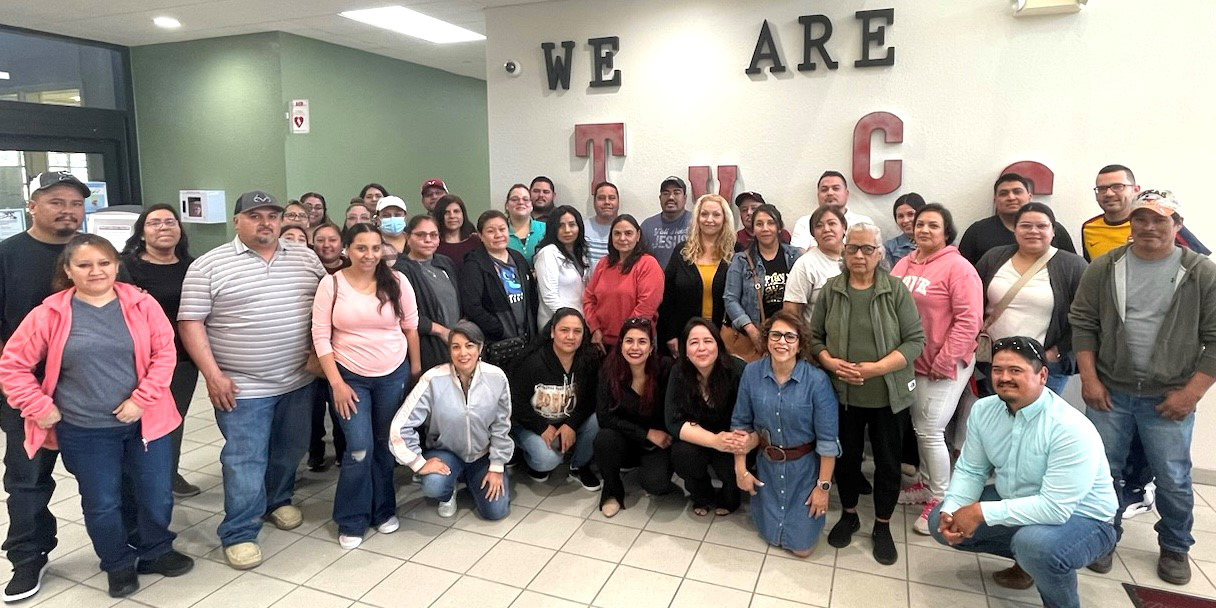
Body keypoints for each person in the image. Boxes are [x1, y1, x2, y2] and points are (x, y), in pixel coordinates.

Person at [0, 234, 194, 598]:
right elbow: (12, 366)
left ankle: (156, 550)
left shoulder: (142, 305)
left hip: (145, 422)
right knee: (102, 501)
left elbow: (164, 354)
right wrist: (39, 407)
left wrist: (142, 399)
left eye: (104, 263)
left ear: (116, 265)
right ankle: (117, 564)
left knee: (155, 495)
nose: (96, 271)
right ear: (68, 271)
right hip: (85, 429)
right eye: (84, 265)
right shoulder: (49, 314)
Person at [1070, 189, 1216, 585]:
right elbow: (1082, 322)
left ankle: (1174, 546)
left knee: (1173, 477)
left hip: (1169, 396)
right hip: (1109, 393)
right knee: (1101, 471)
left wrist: (1191, 394)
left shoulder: (1201, 272)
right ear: (1131, 223)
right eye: (1141, 219)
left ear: (1178, 226)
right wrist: (1090, 378)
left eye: (1160, 220)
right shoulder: (1106, 267)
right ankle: (1102, 537)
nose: (1149, 227)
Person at [178, 191, 325, 570]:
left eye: (272, 216)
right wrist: (213, 376)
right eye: (255, 215)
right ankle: (240, 531)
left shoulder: (306, 259)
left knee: (290, 450)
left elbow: (326, 308)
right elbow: (190, 322)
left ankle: (277, 500)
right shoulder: (208, 266)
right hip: (241, 385)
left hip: (297, 380)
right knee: (245, 459)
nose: (266, 223)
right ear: (237, 221)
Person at [929, 337, 1117, 608]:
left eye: (1015, 370)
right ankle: (1028, 561)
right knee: (940, 519)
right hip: (1022, 503)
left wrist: (980, 512)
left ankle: (1053, 589)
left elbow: (1055, 509)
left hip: (1086, 518)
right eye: (997, 370)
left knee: (1035, 546)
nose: (1004, 378)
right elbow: (971, 469)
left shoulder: (1069, 428)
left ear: (1042, 375)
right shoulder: (984, 410)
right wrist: (954, 510)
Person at [810, 223, 925, 565]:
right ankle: (849, 515)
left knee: (888, 465)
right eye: (853, 249)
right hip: (842, 395)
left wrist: (875, 369)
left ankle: (882, 525)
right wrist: (830, 362)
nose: (859, 255)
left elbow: (915, 341)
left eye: (867, 249)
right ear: (844, 253)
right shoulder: (832, 290)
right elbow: (814, 337)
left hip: (887, 395)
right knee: (846, 461)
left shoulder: (895, 289)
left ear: (880, 253)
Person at [0, 172, 90, 602]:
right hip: (25, 392)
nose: (67, 210)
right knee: (27, 480)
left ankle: (128, 539)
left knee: (106, 471)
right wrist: (17, 387)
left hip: (91, 391)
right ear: (32, 205)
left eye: (75, 202)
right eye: (56, 201)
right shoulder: (7, 255)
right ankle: (28, 557)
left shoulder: (94, 255)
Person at [312, 223, 421, 549]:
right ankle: (351, 518)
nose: (369, 255)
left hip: (392, 376)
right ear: (347, 249)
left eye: (375, 248)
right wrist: (337, 384)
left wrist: (415, 371)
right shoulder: (331, 285)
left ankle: (383, 509)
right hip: (349, 378)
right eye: (361, 248)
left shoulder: (398, 281)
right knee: (358, 449)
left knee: (384, 446)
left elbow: (411, 329)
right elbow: (321, 338)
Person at [890, 203, 983, 535]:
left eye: (932, 225)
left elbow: (969, 320)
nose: (924, 230)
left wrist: (944, 360)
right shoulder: (904, 263)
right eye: (919, 225)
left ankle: (942, 499)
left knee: (930, 430)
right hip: (910, 363)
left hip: (942, 365)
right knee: (920, 429)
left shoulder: (959, 268)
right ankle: (928, 485)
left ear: (946, 232)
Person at [733, 310, 840, 557]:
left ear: (800, 343)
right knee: (769, 536)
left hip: (803, 471)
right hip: (767, 468)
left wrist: (822, 488)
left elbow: (827, 442)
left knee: (803, 549)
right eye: (776, 335)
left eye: (790, 337)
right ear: (766, 339)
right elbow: (740, 424)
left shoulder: (817, 381)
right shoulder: (751, 373)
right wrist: (741, 469)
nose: (782, 342)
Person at [390, 321, 512, 520]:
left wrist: (497, 467)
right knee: (434, 485)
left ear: (480, 348)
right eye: (456, 347)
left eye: (469, 345)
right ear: (449, 351)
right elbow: (400, 426)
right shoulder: (433, 379)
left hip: (482, 454)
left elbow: (502, 426)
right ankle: (447, 492)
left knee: (496, 512)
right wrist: (418, 463)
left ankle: (472, 479)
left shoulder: (497, 378)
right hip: (445, 453)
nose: (463, 353)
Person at [119, 204, 201, 499]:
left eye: (170, 222)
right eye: (155, 223)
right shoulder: (124, 267)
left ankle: (168, 474)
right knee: (139, 421)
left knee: (173, 420)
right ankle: (139, 481)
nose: (164, 227)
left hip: (183, 358)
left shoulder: (194, 266)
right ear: (142, 232)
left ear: (180, 230)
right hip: (138, 360)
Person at [975, 203, 1086, 396]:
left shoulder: (1073, 266)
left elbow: (1086, 318)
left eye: (1042, 226)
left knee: (1035, 423)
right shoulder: (993, 258)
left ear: (1053, 231)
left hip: (1044, 368)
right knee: (997, 422)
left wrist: (1056, 353)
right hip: (995, 365)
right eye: (1025, 226)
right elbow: (972, 302)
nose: (1033, 231)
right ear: (1015, 230)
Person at [510, 309, 601, 488]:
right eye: (564, 330)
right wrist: (541, 427)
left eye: (577, 331)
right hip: (532, 424)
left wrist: (572, 424)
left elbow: (591, 400)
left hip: (566, 421)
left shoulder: (589, 360)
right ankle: (522, 453)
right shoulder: (531, 362)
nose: (570, 336)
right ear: (552, 332)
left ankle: (579, 466)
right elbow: (516, 403)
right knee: (547, 461)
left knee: (597, 419)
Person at [594, 318, 674, 517]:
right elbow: (604, 417)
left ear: (651, 346)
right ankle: (612, 491)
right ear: (620, 344)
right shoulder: (608, 369)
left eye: (642, 341)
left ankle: (646, 470)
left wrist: (656, 436)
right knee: (604, 438)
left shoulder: (665, 367)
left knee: (658, 485)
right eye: (629, 341)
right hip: (625, 438)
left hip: (657, 443)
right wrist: (646, 433)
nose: (635, 347)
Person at [666, 319, 746, 516]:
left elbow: (748, 416)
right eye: (693, 342)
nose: (701, 348)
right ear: (685, 349)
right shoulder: (678, 372)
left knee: (727, 463)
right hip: (698, 439)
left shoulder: (736, 369)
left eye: (708, 341)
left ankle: (730, 493)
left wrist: (725, 441)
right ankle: (701, 493)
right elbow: (673, 421)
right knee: (682, 454)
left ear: (718, 345)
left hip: (731, 437)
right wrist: (713, 441)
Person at [659, 194, 735, 356]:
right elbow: (668, 297)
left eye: (716, 215)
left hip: (724, 337)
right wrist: (670, 334)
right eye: (704, 214)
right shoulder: (682, 252)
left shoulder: (736, 253)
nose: (709, 219)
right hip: (686, 334)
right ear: (697, 218)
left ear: (724, 219)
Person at [1082, 164, 1208, 262]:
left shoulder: (1163, 222)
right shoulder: (1089, 228)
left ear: (1136, 190)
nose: (1109, 193)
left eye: (1118, 186)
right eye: (1102, 188)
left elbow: (1200, 264)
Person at [461, 210, 537, 366]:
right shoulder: (474, 264)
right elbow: (472, 306)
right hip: (496, 344)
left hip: (525, 338)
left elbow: (532, 297)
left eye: (502, 229)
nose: (498, 235)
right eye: (490, 231)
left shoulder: (518, 258)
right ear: (480, 236)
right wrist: (498, 329)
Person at [725, 204, 800, 355]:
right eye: (759, 224)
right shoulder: (741, 260)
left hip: (788, 335)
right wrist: (751, 330)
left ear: (779, 228)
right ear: (753, 230)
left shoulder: (794, 256)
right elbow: (730, 299)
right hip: (755, 334)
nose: (765, 228)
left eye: (771, 223)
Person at [583, 214, 664, 352]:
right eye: (617, 233)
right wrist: (594, 329)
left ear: (638, 236)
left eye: (628, 233)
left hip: (635, 343)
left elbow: (646, 307)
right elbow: (588, 299)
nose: (622, 238)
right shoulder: (603, 264)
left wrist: (626, 338)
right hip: (601, 342)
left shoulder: (648, 264)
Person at [957, 173, 1076, 265]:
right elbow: (962, 272)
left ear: (1029, 197)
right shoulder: (978, 231)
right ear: (995, 200)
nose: (1011, 197)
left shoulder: (1051, 228)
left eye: (1017, 192)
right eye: (1004, 193)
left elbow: (1072, 265)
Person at [395, 215, 462, 373]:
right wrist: (439, 330)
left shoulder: (445, 263)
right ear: (407, 237)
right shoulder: (401, 271)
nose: (428, 240)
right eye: (420, 235)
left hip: (455, 342)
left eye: (433, 235)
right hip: (426, 346)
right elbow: (402, 314)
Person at [307, 223, 348, 472]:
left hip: (343, 348)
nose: (326, 245)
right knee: (313, 407)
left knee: (340, 407)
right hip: (313, 346)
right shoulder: (306, 269)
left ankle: (343, 452)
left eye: (332, 240)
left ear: (341, 243)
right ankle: (315, 453)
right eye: (320, 240)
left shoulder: (351, 267)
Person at [783, 206, 846, 329]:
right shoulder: (805, 265)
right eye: (819, 226)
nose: (826, 229)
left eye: (832, 223)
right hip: (819, 342)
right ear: (813, 233)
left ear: (844, 227)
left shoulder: (858, 258)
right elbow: (791, 314)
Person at [533, 205, 589, 328]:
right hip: (555, 323)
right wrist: (571, 320)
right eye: (560, 226)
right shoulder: (548, 253)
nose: (567, 230)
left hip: (578, 321)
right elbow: (549, 296)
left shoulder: (580, 253)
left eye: (572, 224)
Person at [790, 171, 874, 251]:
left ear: (846, 194)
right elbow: (797, 255)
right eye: (824, 189)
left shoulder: (863, 222)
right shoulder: (804, 223)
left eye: (835, 188)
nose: (830, 193)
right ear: (818, 195)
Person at [641, 176, 691, 268]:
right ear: (660, 198)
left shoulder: (697, 223)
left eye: (676, 192)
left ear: (685, 198)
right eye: (666, 193)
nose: (671, 197)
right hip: (656, 280)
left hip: (688, 281)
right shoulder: (647, 226)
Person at [432, 194, 480, 275]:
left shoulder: (476, 242)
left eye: (456, 211)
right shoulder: (433, 245)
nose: (452, 216)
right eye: (446, 213)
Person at [503, 184, 545, 259]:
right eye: (515, 199)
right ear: (507, 206)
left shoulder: (545, 229)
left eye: (525, 199)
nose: (521, 202)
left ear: (531, 205)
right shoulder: (500, 232)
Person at [883, 192, 925, 268]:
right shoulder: (890, 247)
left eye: (911, 214)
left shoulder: (939, 243)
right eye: (900, 216)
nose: (905, 220)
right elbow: (888, 278)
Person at [585, 181, 620, 268]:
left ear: (618, 202)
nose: (607, 202)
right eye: (601, 198)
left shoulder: (628, 230)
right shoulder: (582, 228)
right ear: (594, 202)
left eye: (612, 198)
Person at [374, 195, 409, 265]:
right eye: (386, 215)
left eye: (397, 215)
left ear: (405, 217)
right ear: (377, 219)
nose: (392, 219)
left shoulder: (413, 240)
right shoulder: (373, 242)